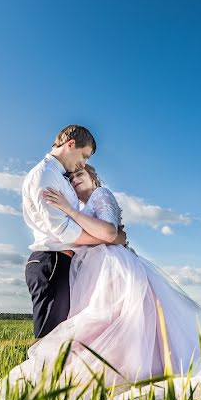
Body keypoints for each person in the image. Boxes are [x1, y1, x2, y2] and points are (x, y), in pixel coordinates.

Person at [0, 162, 201, 400]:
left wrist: (71, 211)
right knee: (101, 323)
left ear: (94, 178)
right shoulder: (83, 207)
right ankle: (104, 372)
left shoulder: (101, 195)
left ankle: (127, 372)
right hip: (95, 267)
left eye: (80, 174)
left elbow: (110, 232)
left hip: (114, 267)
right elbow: (109, 234)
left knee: (113, 320)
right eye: (71, 177)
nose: (75, 180)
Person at [20, 125, 127, 339]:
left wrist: (112, 236)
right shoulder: (46, 174)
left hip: (64, 262)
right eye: (84, 155)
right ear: (70, 145)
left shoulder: (60, 177)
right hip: (53, 260)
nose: (84, 163)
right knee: (49, 337)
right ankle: (42, 373)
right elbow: (64, 231)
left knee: (64, 336)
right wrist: (108, 238)